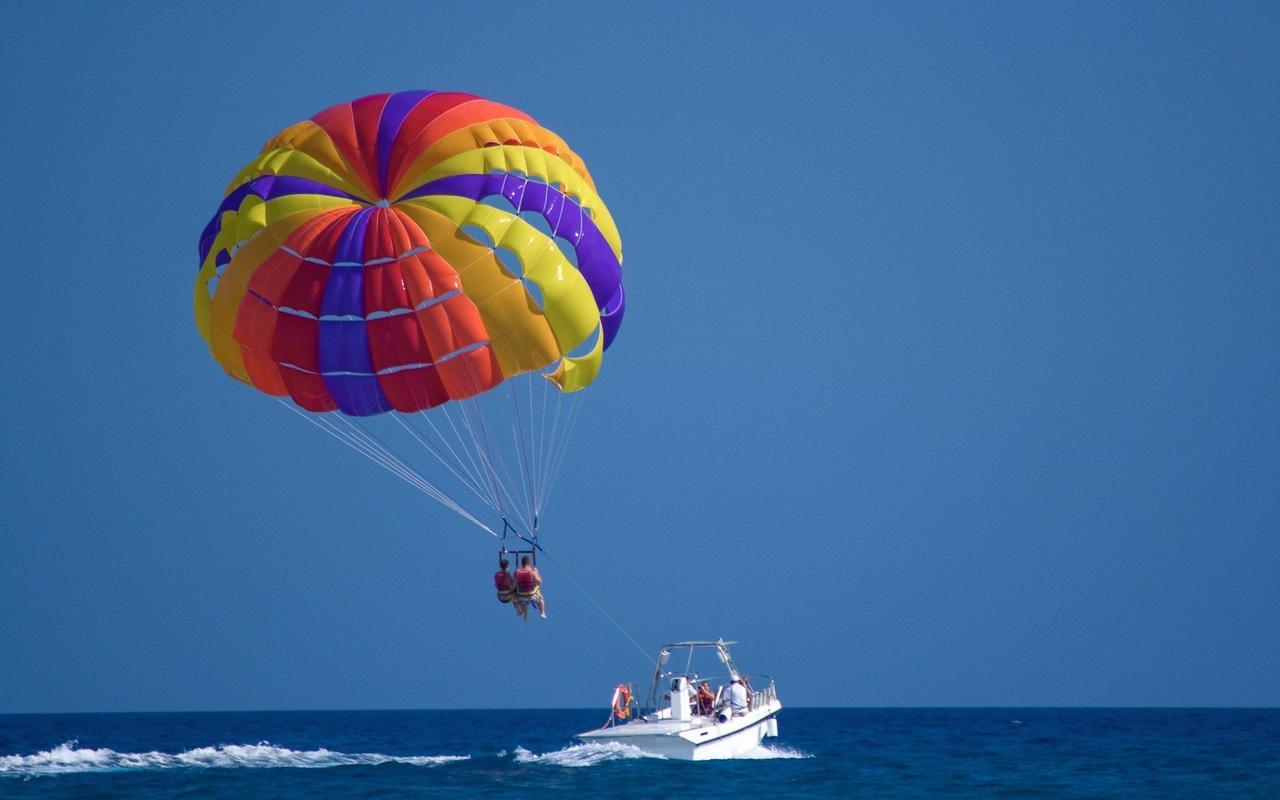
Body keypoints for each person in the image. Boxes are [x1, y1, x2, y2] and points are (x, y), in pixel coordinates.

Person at [514, 556, 547, 620]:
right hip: (532, 596)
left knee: (516, 597)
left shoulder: (517, 573)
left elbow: (514, 584)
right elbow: (539, 582)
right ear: (529, 563)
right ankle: (542, 612)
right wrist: (537, 573)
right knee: (540, 598)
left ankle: (520, 611)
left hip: (522, 597)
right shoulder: (532, 572)